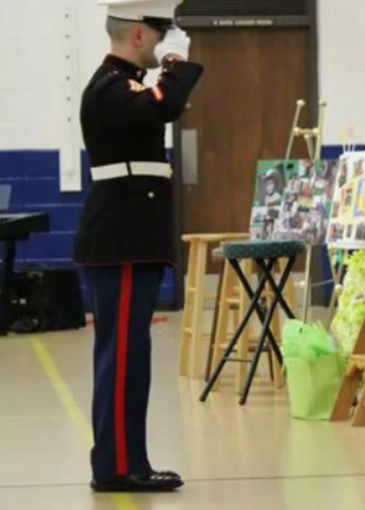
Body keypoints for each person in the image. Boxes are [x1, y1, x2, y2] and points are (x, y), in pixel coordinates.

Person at [74, 0, 203, 493]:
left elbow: (158, 104)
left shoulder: (122, 86)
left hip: (128, 241)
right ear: (137, 35)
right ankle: (118, 466)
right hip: (122, 242)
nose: (165, 41)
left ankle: (124, 461)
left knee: (129, 358)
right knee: (124, 359)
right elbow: (163, 104)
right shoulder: (110, 88)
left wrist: (169, 67)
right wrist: (176, 64)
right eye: (160, 33)